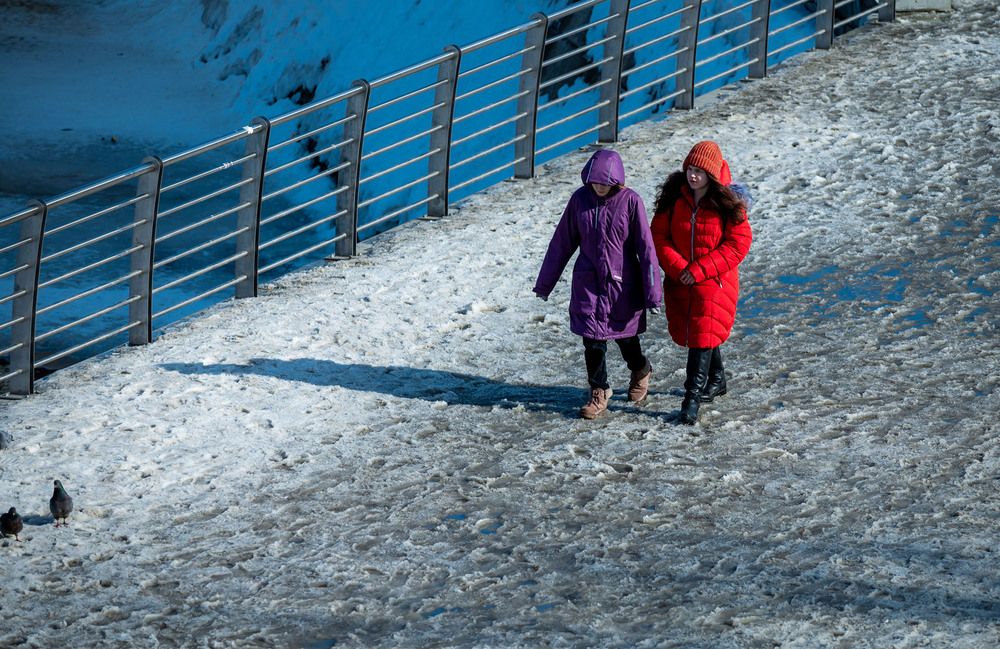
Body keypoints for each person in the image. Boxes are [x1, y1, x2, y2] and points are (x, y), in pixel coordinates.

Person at [534, 149, 662, 419]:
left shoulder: (631, 202)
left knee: (626, 339)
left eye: (606, 182)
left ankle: (640, 368)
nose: (600, 187)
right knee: (592, 341)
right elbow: (561, 243)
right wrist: (545, 284)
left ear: (617, 181)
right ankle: (599, 390)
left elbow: (646, 249)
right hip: (588, 284)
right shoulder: (579, 200)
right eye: (596, 181)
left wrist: (653, 293)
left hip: (621, 286)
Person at [650, 140, 753, 425]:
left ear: (712, 174)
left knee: (702, 333)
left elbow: (738, 243)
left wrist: (700, 270)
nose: (693, 175)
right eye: (690, 169)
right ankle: (717, 379)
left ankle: (690, 400)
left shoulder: (727, 203)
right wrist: (679, 268)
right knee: (703, 332)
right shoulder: (673, 196)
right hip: (680, 279)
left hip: (714, 282)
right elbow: (658, 235)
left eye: (699, 171)